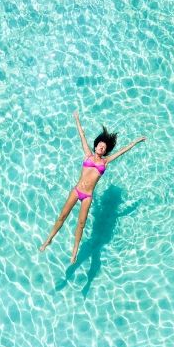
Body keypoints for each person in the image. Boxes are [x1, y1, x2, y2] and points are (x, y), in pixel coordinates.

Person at [40, 110, 146, 263]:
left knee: (81, 224)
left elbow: (122, 151)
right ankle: (48, 239)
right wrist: (76, 118)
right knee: (62, 216)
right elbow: (82, 136)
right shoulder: (88, 155)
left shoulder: (105, 161)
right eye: (100, 146)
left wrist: (136, 141)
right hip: (76, 191)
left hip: (87, 196)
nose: (101, 148)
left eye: (104, 148)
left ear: (105, 150)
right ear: (96, 146)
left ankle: (74, 251)